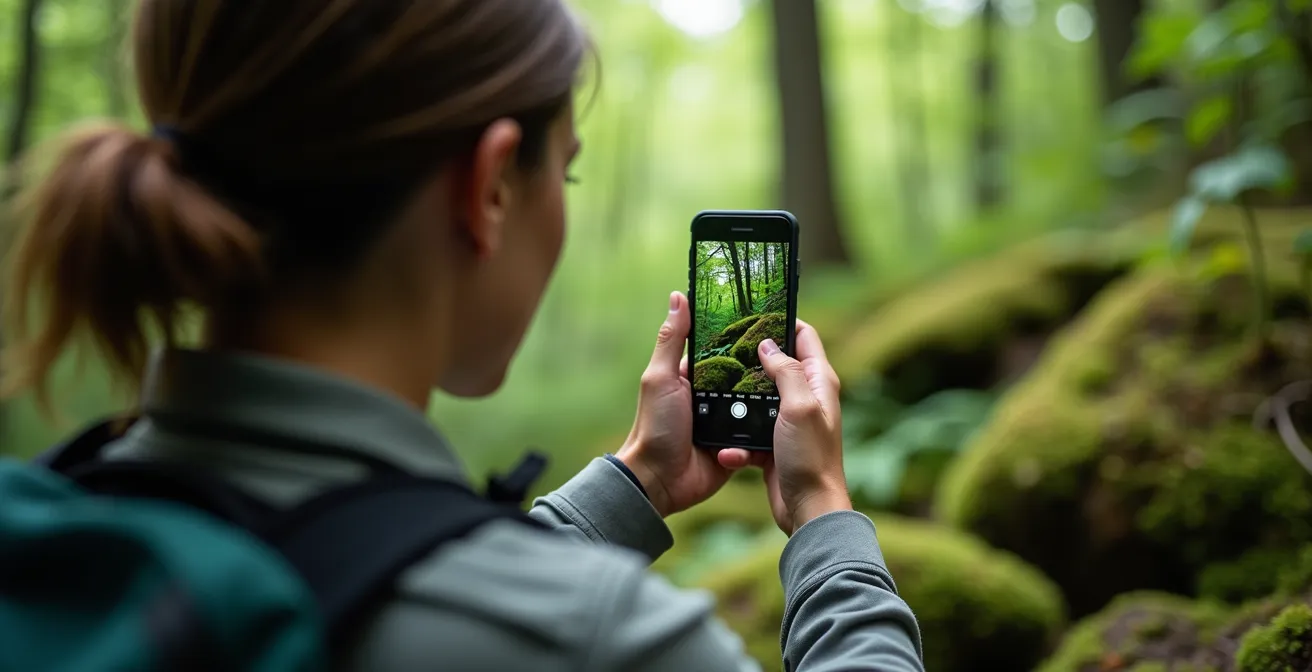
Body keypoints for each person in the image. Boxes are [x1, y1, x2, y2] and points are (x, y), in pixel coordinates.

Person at [2, 1, 924, 670]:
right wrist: (826, 519)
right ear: (489, 189)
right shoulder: (605, 642)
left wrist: (633, 483)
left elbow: (348, 557)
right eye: (561, 175)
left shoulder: (50, 536)